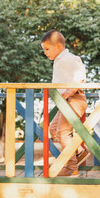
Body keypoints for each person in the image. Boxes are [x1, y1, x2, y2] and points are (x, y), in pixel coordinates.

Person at [41, 29, 90, 177]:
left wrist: (71, 90)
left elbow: (80, 75)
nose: (45, 53)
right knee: (54, 128)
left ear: (59, 47)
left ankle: (71, 168)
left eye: (47, 49)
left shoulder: (69, 58)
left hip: (75, 99)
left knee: (62, 131)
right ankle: (80, 152)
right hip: (66, 103)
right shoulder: (58, 60)